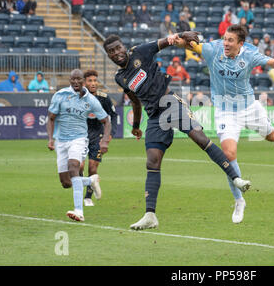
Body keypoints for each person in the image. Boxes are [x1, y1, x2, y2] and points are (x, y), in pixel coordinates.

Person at [103, 32, 250, 230]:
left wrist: (183, 34)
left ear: (123, 46)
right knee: (152, 161)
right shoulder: (120, 77)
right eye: (111, 51)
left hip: (170, 103)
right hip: (155, 116)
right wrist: (136, 126)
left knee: (200, 139)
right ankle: (150, 215)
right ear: (109, 55)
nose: (116, 53)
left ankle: (236, 179)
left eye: (118, 48)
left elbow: (166, 41)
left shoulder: (140, 52)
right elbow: (135, 101)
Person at [177, 24, 274, 224]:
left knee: (269, 135)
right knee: (228, 154)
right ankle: (239, 200)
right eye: (225, 38)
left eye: (230, 40)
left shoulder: (250, 54)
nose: (225, 43)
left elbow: (273, 63)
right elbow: (191, 45)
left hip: (249, 108)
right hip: (225, 111)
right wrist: (176, 39)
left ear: (240, 44)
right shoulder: (213, 49)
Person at [46, 69, 112, 222]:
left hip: (79, 139)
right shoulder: (60, 95)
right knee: (66, 182)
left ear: (83, 81)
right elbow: (50, 118)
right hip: (61, 141)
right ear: (69, 80)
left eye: (79, 80)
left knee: (74, 167)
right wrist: (50, 139)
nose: (76, 82)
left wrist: (105, 141)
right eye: (72, 79)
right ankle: (90, 181)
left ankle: (79, 211)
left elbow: (106, 120)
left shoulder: (91, 100)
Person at [80, 70, 118, 207]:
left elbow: (113, 115)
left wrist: (110, 135)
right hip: (82, 134)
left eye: (95, 80)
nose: (93, 83)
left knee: (92, 167)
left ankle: (88, 197)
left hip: (99, 135)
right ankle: (83, 188)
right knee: (80, 166)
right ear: (84, 83)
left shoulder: (104, 98)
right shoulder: (79, 97)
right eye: (90, 81)